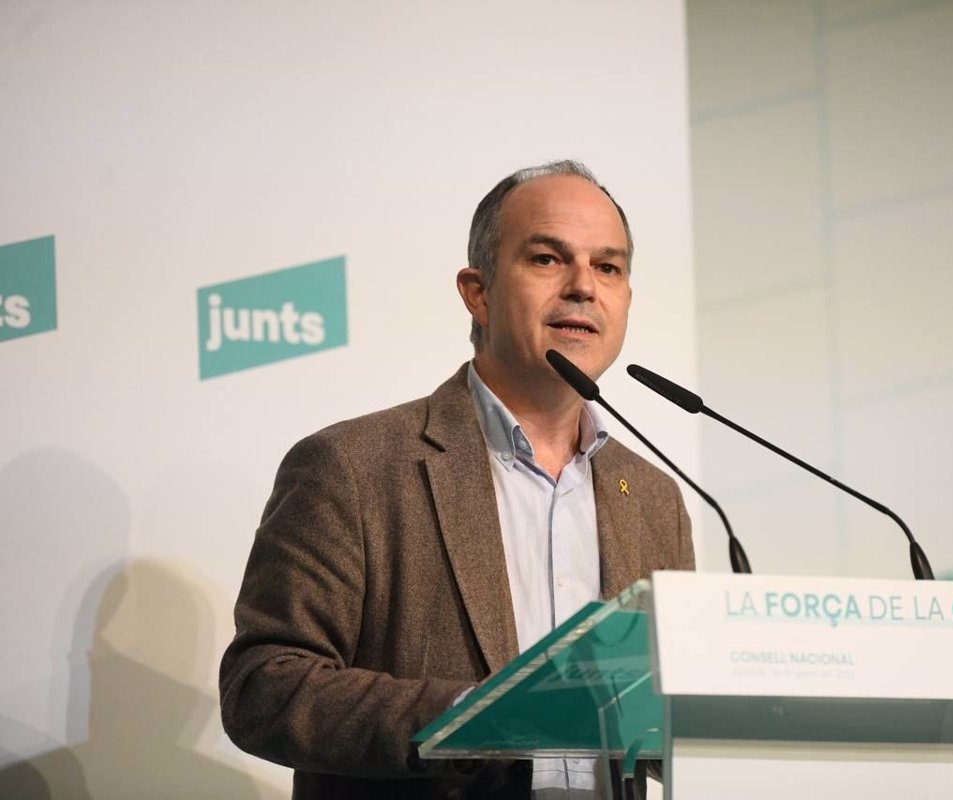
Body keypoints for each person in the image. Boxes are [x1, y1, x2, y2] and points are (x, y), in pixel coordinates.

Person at [219, 160, 695, 799]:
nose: (584, 286)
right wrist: (474, 718)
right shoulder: (352, 468)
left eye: (608, 267)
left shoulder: (655, 499)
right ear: (478, 292)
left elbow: (662, 718)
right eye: (548, 258)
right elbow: (264, 686)